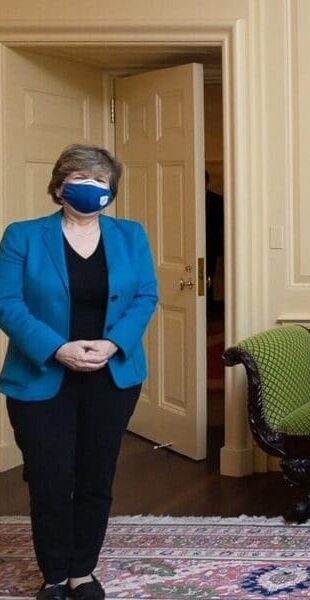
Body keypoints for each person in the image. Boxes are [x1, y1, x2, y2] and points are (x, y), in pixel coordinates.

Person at [0, 145, 158, 600]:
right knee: (49, 479)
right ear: (58, 186)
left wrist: (112, 344)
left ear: (111, 192)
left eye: (100, 181)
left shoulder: (131, 236)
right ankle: (53, 575)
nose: (90, 188)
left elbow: (145, 296)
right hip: (41, 376)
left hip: (112, 376)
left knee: (95, 477)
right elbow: (8, 303)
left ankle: (81, 572)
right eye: (79, 179)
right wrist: (58, 348)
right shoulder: (23, 236)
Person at [204, 170, 224, 315]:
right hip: (191, 246)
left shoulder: (218, 200)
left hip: (212, 245)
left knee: (209, 277)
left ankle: (208, 310)